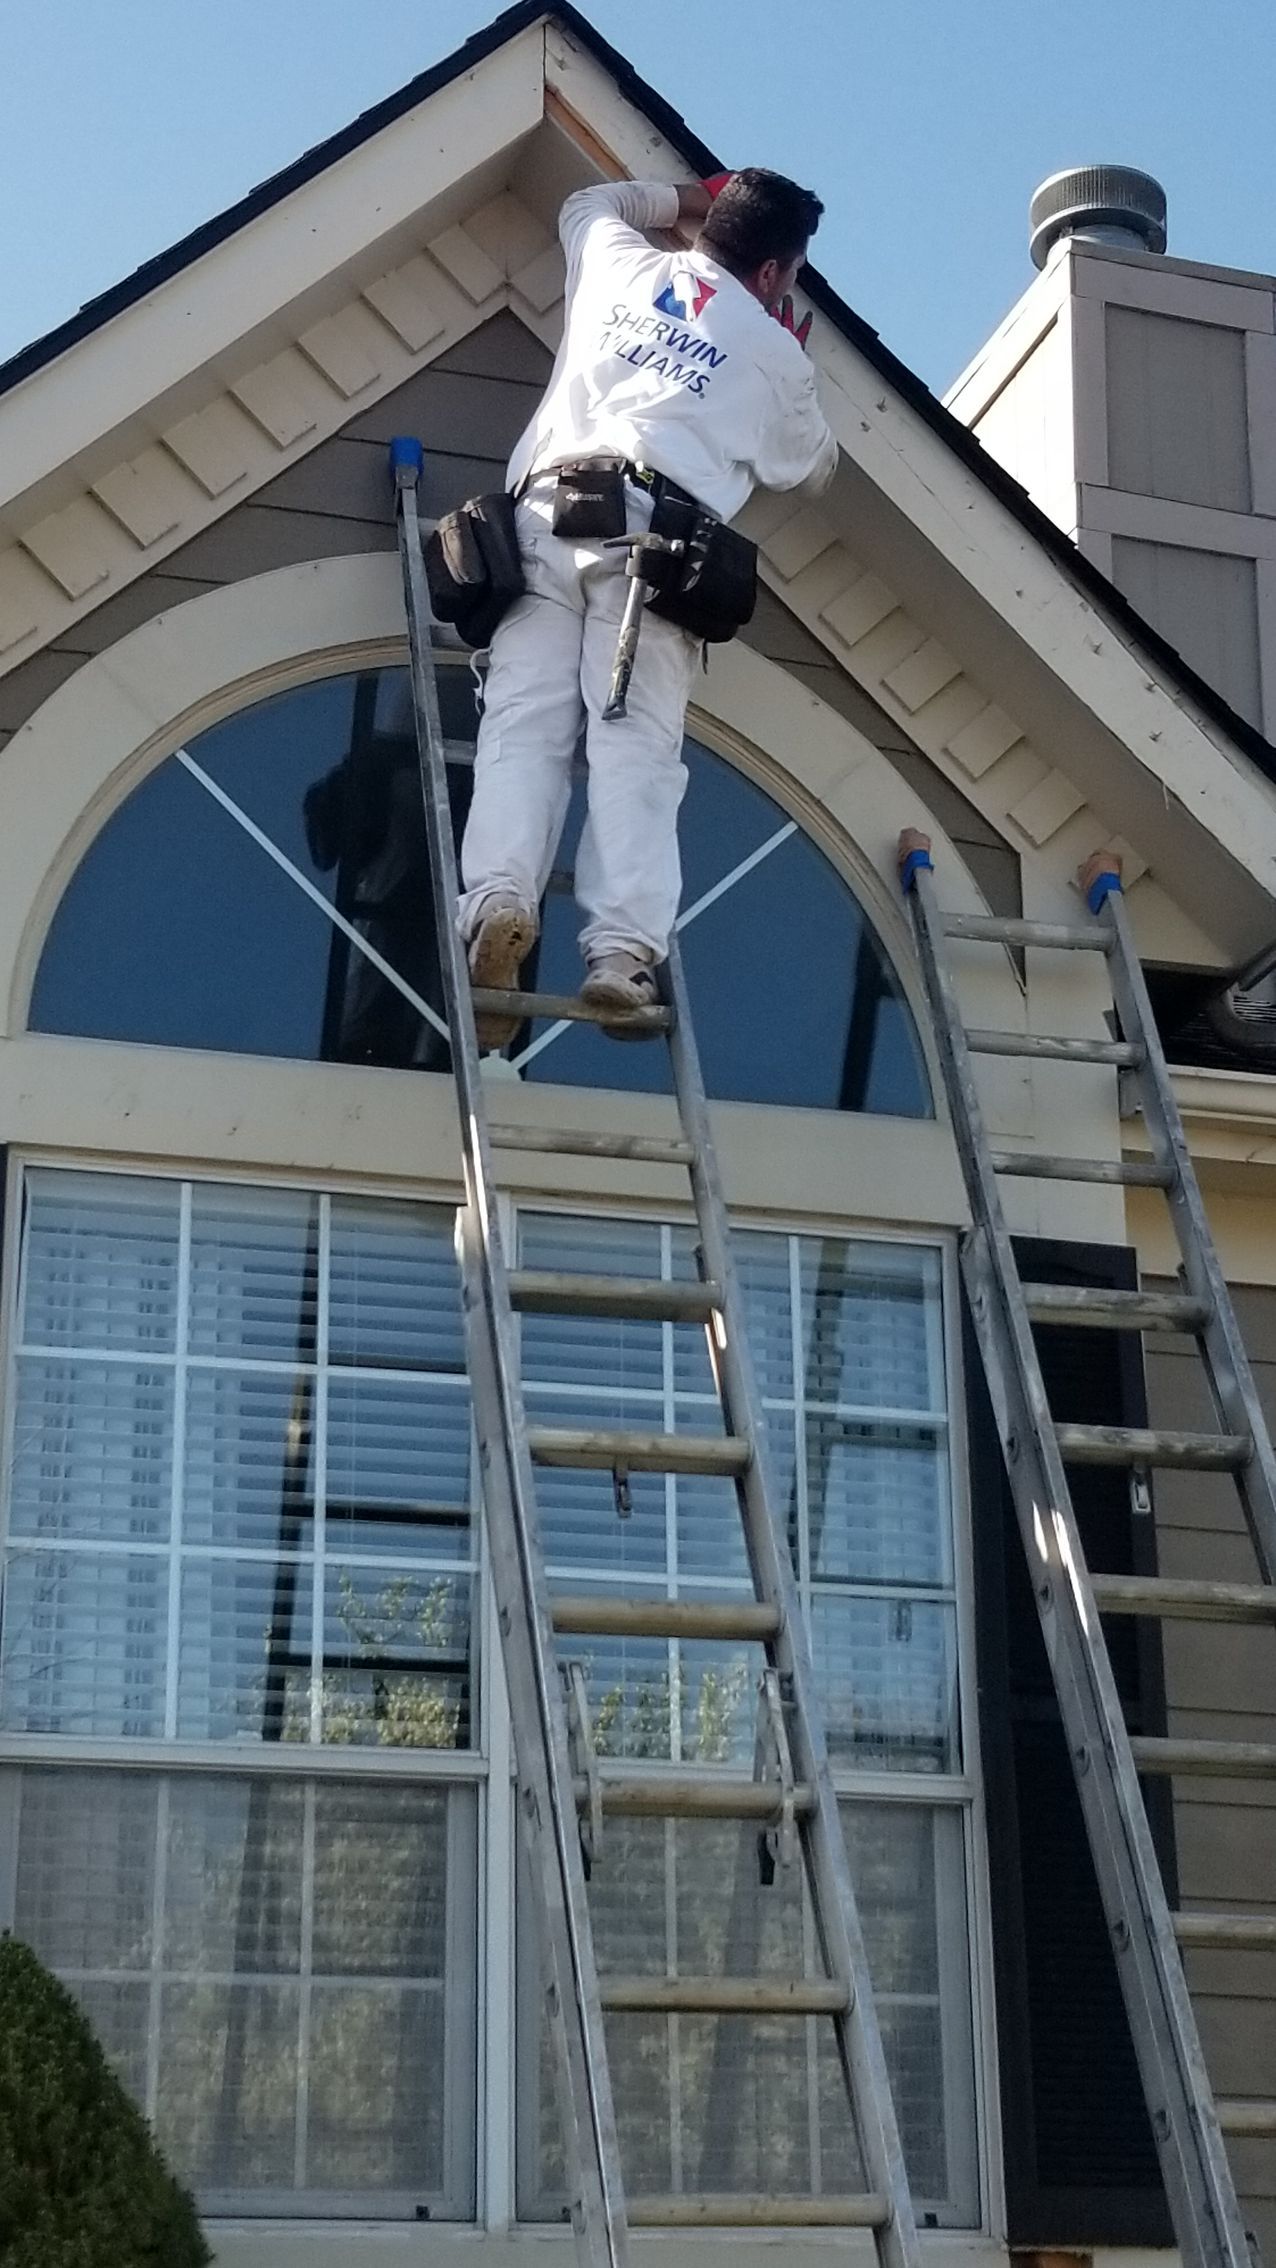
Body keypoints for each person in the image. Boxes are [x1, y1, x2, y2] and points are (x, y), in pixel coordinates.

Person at [457, 167, 838, 1046]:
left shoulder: (619, 261)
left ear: (712, 225)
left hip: (543, 522)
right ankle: (620, 957)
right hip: (651, 547)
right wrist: (783, 351)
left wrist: (685, 196)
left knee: (523, 730)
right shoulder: (775, 353)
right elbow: (811, 468)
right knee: (632, 750)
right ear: (779, 272)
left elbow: (583, 202)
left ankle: (499, 904)